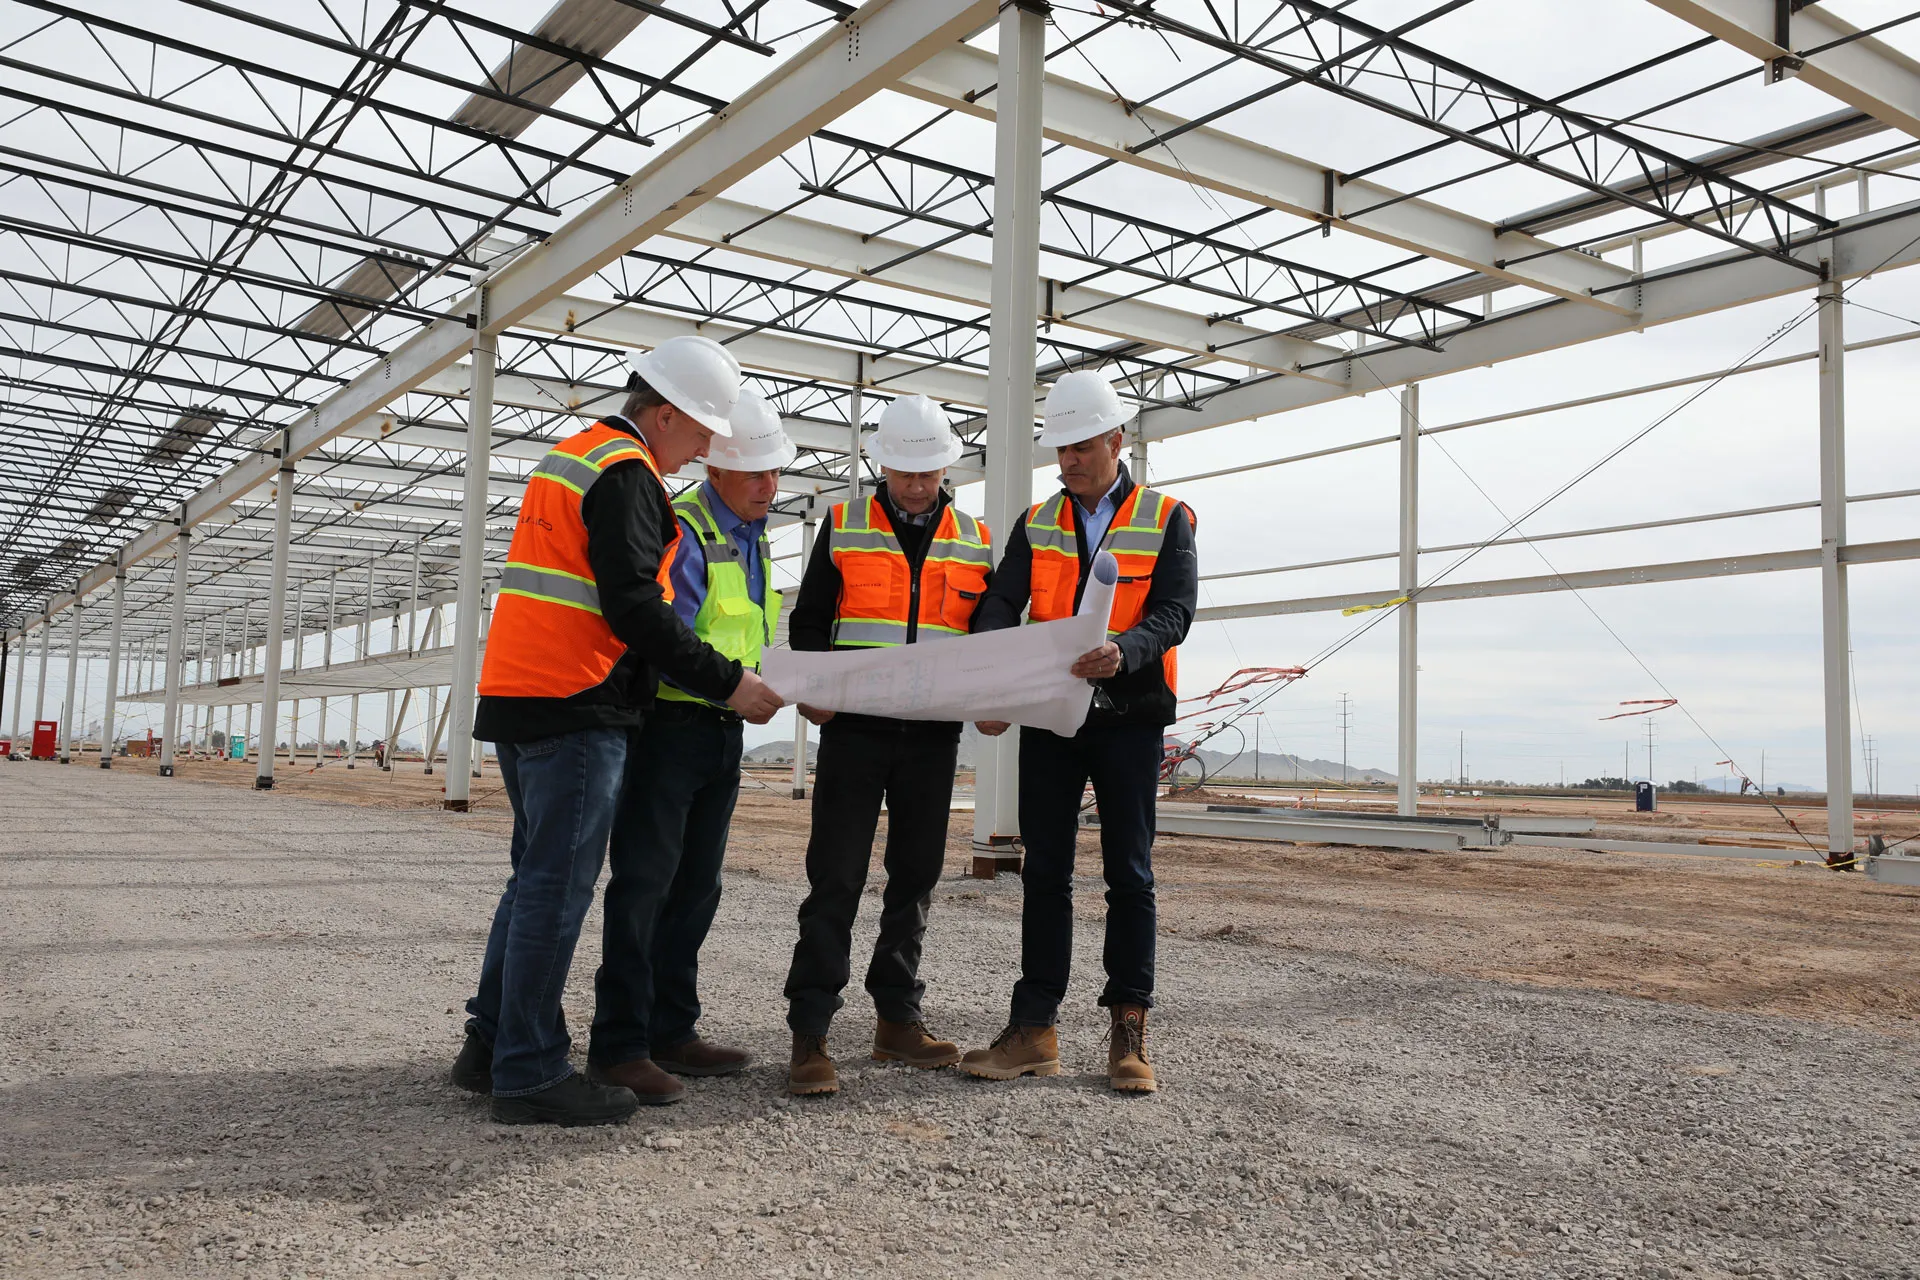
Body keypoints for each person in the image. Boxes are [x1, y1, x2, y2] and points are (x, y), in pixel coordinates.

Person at [452, 336, 784, 1126]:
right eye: (702, 431)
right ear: (663, 415)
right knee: (554, 892)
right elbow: (636, 608)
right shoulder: (628, 474)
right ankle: (529, 1071)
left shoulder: (575, 455)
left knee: (531, 883)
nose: (705, 448)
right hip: (574, 703)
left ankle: (488, 1046)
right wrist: (730, 682)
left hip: (526, 696)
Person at [958, 371, 1196, 1094]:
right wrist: (995, 678)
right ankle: (1034, 1029)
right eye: (1061, 450)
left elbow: (1175, 611)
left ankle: (1129, 1029)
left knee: (1130, 875)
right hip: (1052, 720)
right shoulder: (1037, 523)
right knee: (1046, 876)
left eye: (1082, 448)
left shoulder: (1167, 516)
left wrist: (1126, 651)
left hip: (1130, 719)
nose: (1069, 462)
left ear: (1117, 441)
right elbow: (1000, 604)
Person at [587, 391, 796, 1104]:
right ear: (717, 470)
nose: (769, 487)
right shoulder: (689, 526)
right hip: (670, 730)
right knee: (644, 884)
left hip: (722, 731)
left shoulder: (755, 534)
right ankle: (618, 1044)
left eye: (774, 474)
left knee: (697, 886)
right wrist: (734, 684)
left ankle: (672, 1028)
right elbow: (666, 637)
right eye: (756, 475)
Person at [780, 395, 992, 1096]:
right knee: (835, 878)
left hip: (933, 737)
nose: (915, 485)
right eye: (903, 471)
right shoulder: (843, 525)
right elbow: (810, 624)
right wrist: (813, 688)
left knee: (916, 877)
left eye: (927, 472)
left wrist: (994, 701)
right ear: (882, 464)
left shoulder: (976, 538)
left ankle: (897, 1018)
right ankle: (810, 1032)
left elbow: (989, 645)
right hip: (856, 733)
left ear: (945, 469)